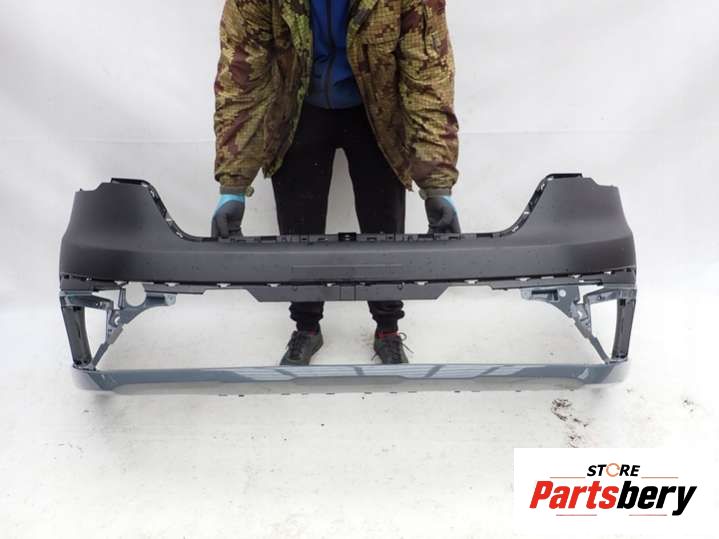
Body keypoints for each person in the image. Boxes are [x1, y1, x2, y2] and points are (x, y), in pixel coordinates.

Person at [211, 0, 460, 366]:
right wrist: (233, 186)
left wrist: (437, 186)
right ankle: (306, 326)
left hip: (376, 111)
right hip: (299, 108)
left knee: (384, 225)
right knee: (298, 226)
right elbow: (242, 75)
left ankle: (387, 328)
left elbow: (428, 76)